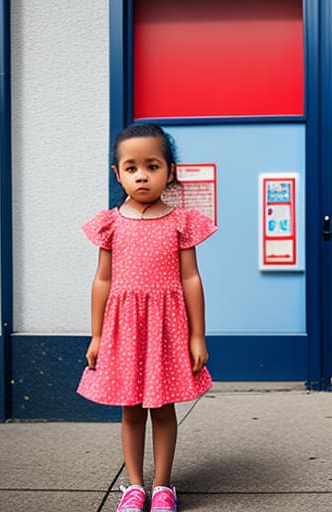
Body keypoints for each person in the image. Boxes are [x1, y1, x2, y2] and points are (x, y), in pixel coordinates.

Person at [78, 123, 216, 512]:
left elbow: (191, 278)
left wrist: (197, 336)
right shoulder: (110, 224)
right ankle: (135, 486)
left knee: (164, 408)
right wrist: (97, 335)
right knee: (131, 410)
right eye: (132, 167)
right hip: (124, 329)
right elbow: (102, 281)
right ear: (117, 173)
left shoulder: (181, 222)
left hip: (168, 329)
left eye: (152, 166)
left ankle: (163, 486)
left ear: (170, 172)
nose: (142, 175)